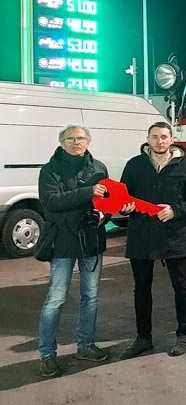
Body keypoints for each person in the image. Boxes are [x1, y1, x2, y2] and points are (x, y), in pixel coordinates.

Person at [118, 122, 186, 358]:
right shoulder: (134, 165)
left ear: (172, 139)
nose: (160, 141)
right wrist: (125, 207)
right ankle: (143, 338)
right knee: (141, 289)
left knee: (181, 286)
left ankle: (183, 334)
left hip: (173, 235)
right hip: (141, 236)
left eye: (164, 137)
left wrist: (176, 211)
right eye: (155, 137)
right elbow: (122, 197)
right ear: (147, 139)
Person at [37, 125, 110, 377]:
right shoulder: (50, 170)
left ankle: (86, 345)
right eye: (71, 139)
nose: (77, 142)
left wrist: (104, 213)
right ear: (61, 142)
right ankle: (47, 354)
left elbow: (108, 201)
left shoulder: (99, 167)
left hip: (91, 240)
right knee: (55, 299)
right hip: (62, 242)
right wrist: (88, 192)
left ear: (88, 141)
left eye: (81, 138)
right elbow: (51, 202)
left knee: (91, 297)